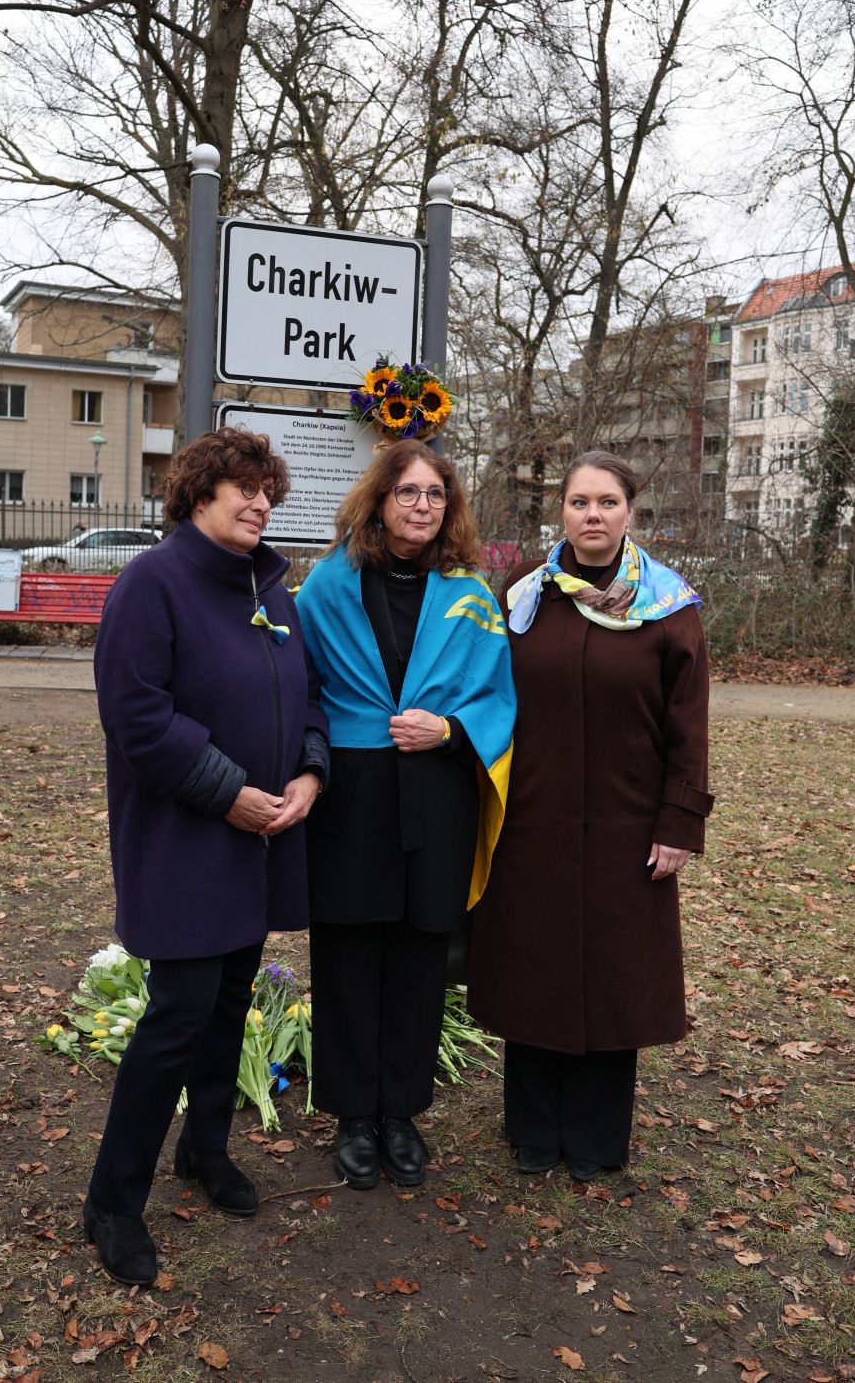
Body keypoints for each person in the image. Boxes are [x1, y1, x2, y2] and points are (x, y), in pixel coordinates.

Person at [83, 427, 329, 1286]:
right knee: (177, 1017)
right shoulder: (152, 584)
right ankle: (113, 1201)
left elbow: (309, 696)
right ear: (197, 495)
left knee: (231, 1004)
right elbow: (138, 715)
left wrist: (310, 770)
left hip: (261, 838)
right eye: (245, 488)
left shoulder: (273, 588)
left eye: (269, 491)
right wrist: (226, 789)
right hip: (189, 837)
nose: (261, 503)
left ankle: (205, 1149)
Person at [468, 450, 714, 1181]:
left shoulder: (670, 608)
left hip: (627, 827)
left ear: (630, 512)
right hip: (531, 821)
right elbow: (486, 699)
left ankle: (598, 1139)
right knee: (532, 972)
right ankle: (533, 1131)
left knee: (614, 979)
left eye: (607, 502)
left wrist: (679, 822)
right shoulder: (522, 596)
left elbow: (689, 728)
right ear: (561, 513)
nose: (593, 516)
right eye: (580, 503)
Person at [295, 440, 516, 1190]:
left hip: (436, 795)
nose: (422, 505)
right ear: (378, 502)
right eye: (408, 492)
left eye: (436, 495)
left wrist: (448, 731)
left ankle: (402, 1114)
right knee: (350, 956)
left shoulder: (472, 597)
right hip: (353, 795)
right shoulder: (326, 588)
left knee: (421, 960)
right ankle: (354, 1117)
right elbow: (300, 691)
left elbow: (498, 701)